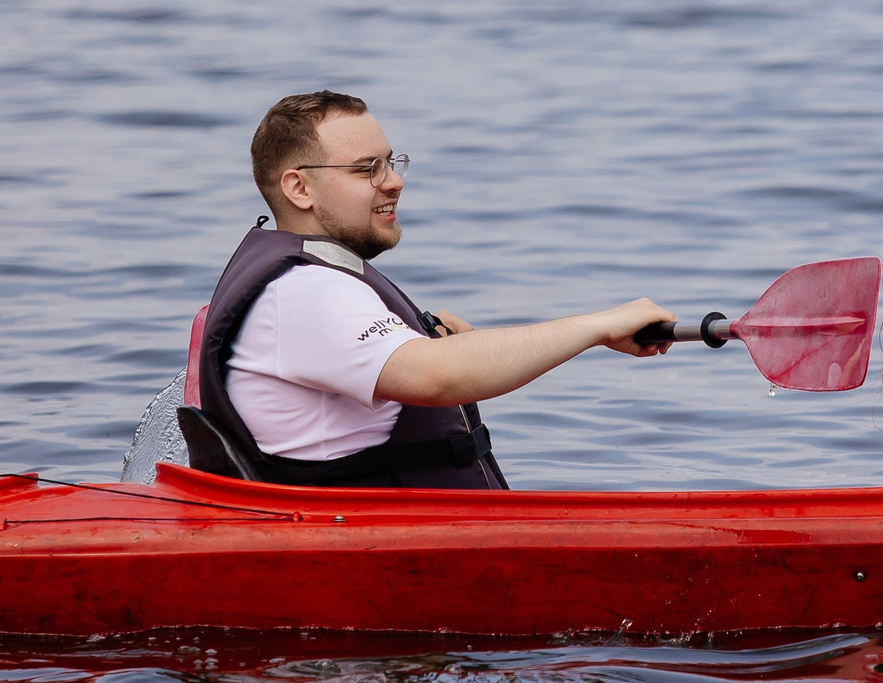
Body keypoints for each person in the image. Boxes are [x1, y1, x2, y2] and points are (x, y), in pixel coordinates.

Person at [179, 90, 675, 489]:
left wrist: (425, 337)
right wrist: (599, 325)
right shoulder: (304, 291)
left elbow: (423, 364)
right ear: (299, 188)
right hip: (367, 548)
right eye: (366, 168)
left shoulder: (303, 278)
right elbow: (436, 378)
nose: (393, 181)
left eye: (392, 163)